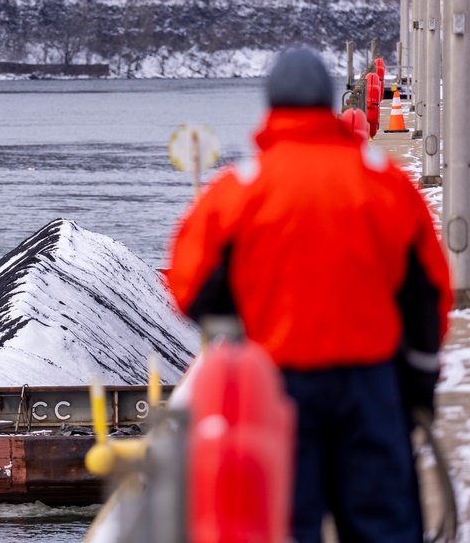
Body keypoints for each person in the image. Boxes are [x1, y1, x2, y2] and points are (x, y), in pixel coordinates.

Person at [166, 47, 452, 543]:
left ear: (270, 106)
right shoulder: (384, 184)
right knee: (383, 524)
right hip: (371, 383)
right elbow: (428, 292)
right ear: (328, 104)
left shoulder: (240, 190)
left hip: (276, 389)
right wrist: (419, 382)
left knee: (286, 524)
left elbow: (188, 283)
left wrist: (243, 324)